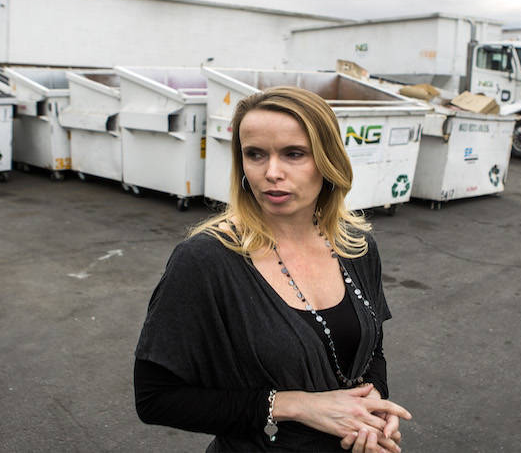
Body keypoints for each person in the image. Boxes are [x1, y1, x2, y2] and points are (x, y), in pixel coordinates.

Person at [134, 86, 411, 453]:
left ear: (328, 159)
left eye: (294, 154)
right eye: (255, 154)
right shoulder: (206, 260)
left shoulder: (356, 246)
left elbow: (371, 351)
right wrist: (294, 405)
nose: (272, 172)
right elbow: (155, 398)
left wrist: (372, 404)